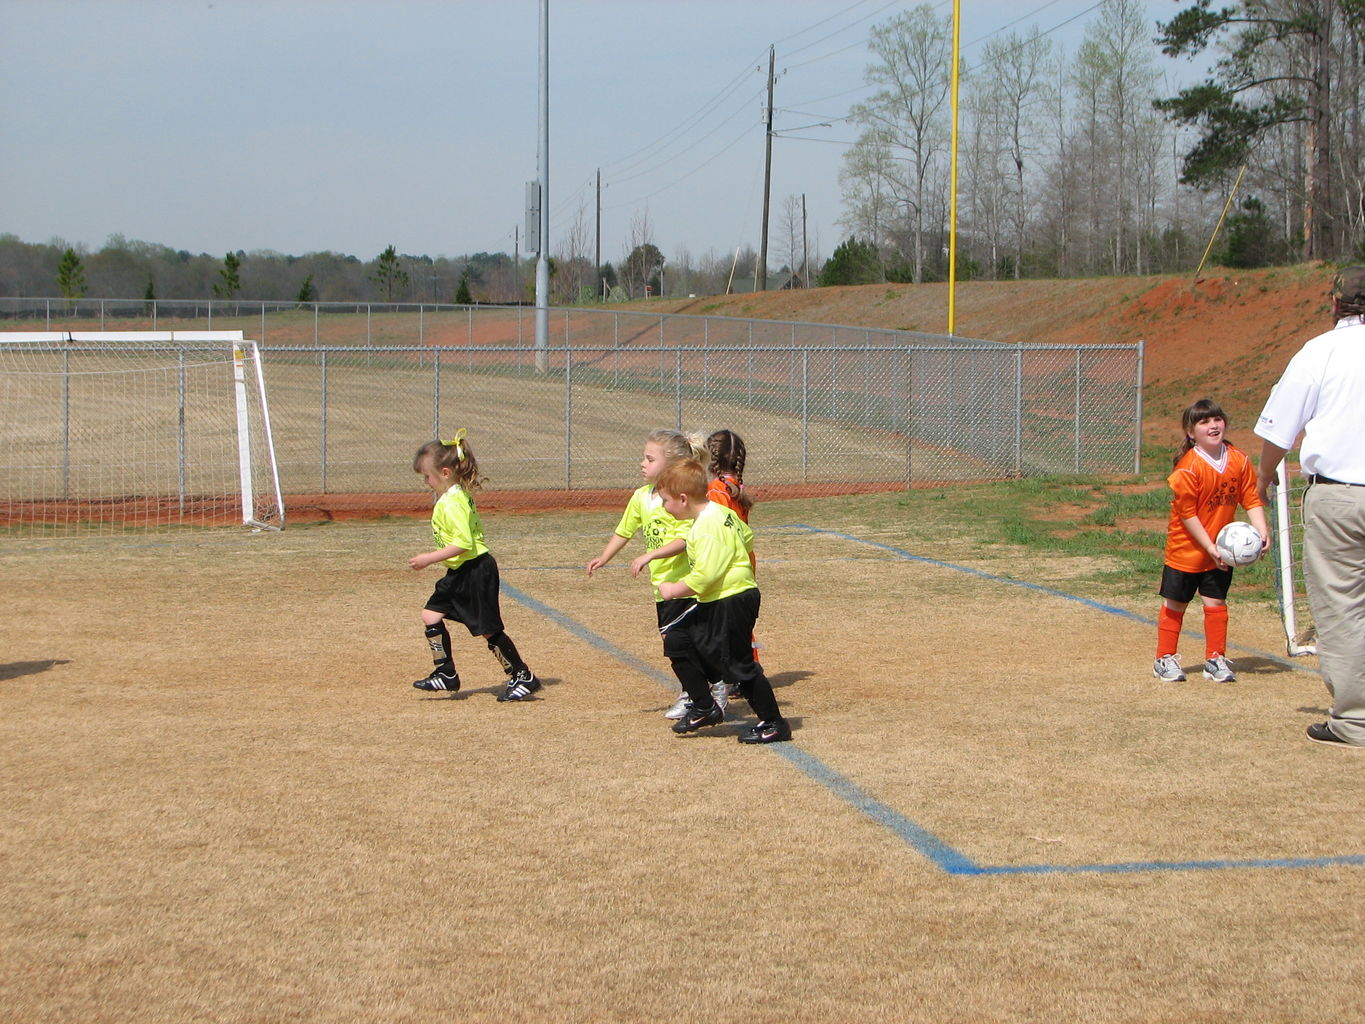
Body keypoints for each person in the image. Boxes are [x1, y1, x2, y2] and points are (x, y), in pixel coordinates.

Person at [1256, 266, 1365, 747]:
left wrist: (1262, 478)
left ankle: (1356, 719)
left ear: (1336, 304)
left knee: (1342, 605)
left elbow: (1280, 430)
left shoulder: (1319, 351)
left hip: (1338, 497)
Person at [654, 458, 790, 743]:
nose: (664, 507)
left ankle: (774, 723)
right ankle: (705, 706)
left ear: (682, 498)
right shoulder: (718, 513)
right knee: (678, 639)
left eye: (666, 501)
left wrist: (672, 589)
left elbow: (705, 577)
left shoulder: (707, 526)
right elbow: (748, 537)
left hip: (731, 600)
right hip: (729, 597)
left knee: (740, 666)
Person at [586, 429, 714, 719]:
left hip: (686, 586)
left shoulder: (681, 501)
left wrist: (651, 554)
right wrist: (604, 557)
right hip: (662, 587)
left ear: (670, 466)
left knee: (681, 643)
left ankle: (699, 694)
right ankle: (704, 690)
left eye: (649, 459)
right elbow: (625, 530)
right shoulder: (642, 497)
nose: (642, 464)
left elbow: (685, 540)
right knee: (679, 643)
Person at [409, 432, 541, 702]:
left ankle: (522, 674)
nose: (426, 482)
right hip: (460, 572)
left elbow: (464, 543)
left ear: (444, 472)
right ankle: (445, 672)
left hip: (475, 570)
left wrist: (429, 558)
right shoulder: (451, 497)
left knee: (488, 628)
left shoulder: (454, 502)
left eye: (427, 476)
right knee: (430, 615)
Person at [1153, 398, 1268, 684]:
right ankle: (1164, 659)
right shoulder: (1189, 467)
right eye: (1204, 422)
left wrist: (1262, 532)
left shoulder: (1238, 459)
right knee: (1176, 604)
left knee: (1215, 603)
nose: (1213, 425)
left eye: (1217, 419)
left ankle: (1215, 659)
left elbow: (1251, 498)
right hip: (1186, 548)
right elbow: (1188, 514)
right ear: (1191, 433)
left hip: (1220, 550)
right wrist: (1209, 547)